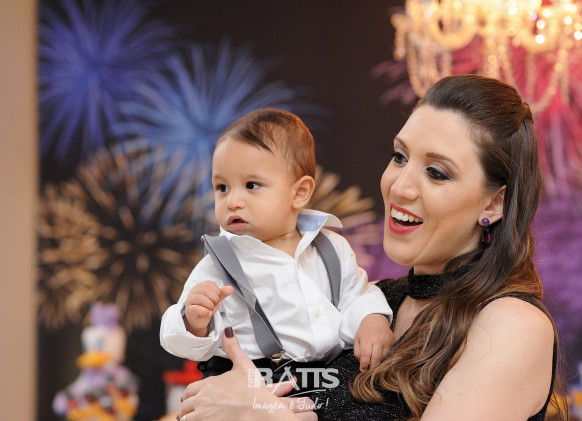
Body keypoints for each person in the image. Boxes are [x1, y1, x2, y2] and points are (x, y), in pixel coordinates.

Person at [175, 74, 568, 421]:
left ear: (494, 204)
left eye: (436, 172)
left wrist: (262, 413)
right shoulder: (372, 302)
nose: (400, 186)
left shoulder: (513, 325)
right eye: (399, 156)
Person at [160, 108, 395, 390]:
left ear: (299, 192)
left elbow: (357, 295)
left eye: (251, 185)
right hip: (246, 382)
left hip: (322, 379)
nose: (232, 201)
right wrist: (193, 322)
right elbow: (178, 341)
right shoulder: (219, 264)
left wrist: (371, 318)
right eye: (222, 187)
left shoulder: (331, 247)